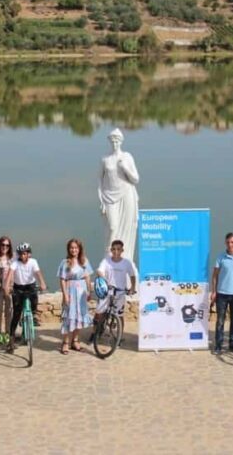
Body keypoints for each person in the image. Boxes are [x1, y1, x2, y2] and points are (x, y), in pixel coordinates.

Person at [98, 128, 140, 259]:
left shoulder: (127, 157)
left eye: (117, 141)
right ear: (110, 142)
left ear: (121, 142)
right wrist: (102, 201)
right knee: (112, 227)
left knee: (127, 227)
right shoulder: (105, 159)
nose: (115, 144)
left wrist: (125, 168)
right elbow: (99, 182)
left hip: (127, 194)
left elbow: (136, 179)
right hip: (109, 197)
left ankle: (125, 257)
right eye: (112, 141)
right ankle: (109, 256)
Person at [5, 243, 47, 353]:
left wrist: (42, 283)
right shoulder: (15, 263)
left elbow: (38, 273)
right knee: (16, 314)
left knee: (34, 302)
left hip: (30, 286)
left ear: (29, 254)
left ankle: (33, 314)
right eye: (21, 254)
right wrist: (7, 286)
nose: (23, 256)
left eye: (25, 254)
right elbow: (10, 274)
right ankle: (11, 339)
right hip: (18, 288)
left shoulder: (33, 262)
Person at [94, 239, 138, 334]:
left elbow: (132, 275)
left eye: (118, 249)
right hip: (106, 291)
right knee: (100, 313)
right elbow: (99, 271)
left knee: (119, 315)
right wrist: (104, 279)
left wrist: (133, 288)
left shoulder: (126, 263)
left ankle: (119, 336)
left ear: (122, 250)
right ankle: (95, 333)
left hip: (120, 292)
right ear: (111, 250)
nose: (116, 251)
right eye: (114, 249)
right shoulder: (106, 261)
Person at [58, 238, 93, 354]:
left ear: (79, 249)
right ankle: (65, 342)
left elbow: (87, 277)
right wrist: (65, 295)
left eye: (76, 248)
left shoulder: (84, 261)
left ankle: (76, 340)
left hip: (81, 293)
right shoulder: (65, 262)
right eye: (72, 248)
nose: (74, 250)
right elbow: (62, 280)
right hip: (70, 290)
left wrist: (89, 291)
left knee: (79, 316)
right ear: (69, 249)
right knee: (68, 316)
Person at [0, 236, 15, 346]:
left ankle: (7, 332)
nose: (4, 247)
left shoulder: (13, 258)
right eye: (3, 245)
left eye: (7, 245)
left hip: (10, 288)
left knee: (9, 312)